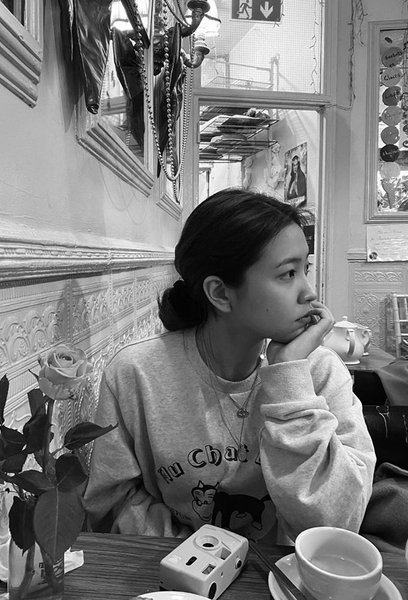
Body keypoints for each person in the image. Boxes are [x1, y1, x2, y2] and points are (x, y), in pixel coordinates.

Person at [84, 189, 375, 543]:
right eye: (288, 274)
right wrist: (202, 556)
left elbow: (339, 523)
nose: (309, 293)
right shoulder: (135, 374)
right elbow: (113, 503)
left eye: (305, 269)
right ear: (221, 293)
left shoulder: (320, 371)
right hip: (174, 569)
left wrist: (289, 378)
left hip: (282, 571)